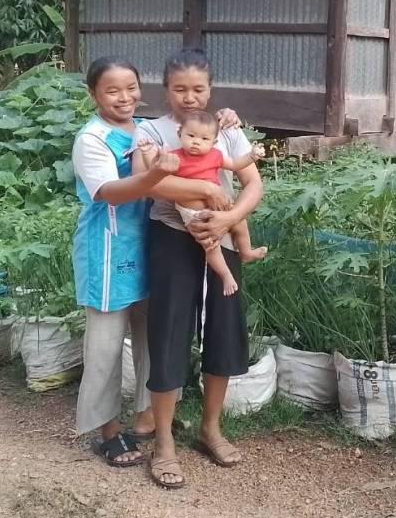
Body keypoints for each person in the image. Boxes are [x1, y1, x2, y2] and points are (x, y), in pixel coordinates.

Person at [136, 48, 265, 489]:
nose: (189, 97)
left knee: (224, 329)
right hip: (171, 238)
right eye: (179, 89)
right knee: (169, 332)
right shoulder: (151, 131)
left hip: (222, 236)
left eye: (198, 89)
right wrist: (205, 192)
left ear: (210, 90)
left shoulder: (225, 128)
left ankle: (211, 428)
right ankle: (164, 442)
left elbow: (253, 182)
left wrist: (230, 219)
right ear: (165, 90)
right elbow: (151, 182)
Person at [71, 57, 177, 467]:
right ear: (93, 94)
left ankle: (148, 418)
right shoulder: (92, 138)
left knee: (154, 335)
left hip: (152, 245)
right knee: (105, 344)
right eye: (112, 90)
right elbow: (108, 192)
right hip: (108, 249)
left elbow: (194, 136)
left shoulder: (146, 129)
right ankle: (107, 432)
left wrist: (226, 119)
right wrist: (155, 176)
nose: (124, 97)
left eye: (131, 87)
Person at [164, 107, 267, 295]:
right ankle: (226, 275)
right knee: (211, 245)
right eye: (191, 136)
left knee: (240, 222)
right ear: (180, 134)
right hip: (194, 213)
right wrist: (152, 155)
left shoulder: (215, 156)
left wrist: (252, 156)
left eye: (204, 139)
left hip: (218, 206)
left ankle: (246, 252)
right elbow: (162, 180)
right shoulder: (175, 157)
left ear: (214, 142)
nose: (196, 142)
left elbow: (235, 164)